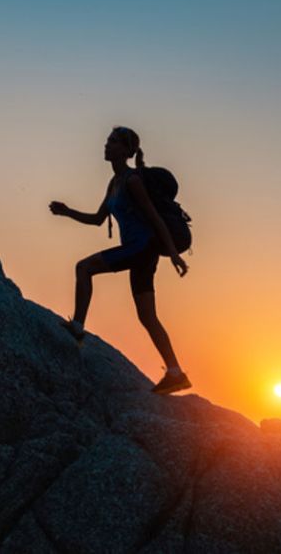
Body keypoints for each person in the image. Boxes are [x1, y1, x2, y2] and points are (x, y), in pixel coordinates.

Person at [49, 127, 192, 395]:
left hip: (141, 247)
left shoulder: (132, 180)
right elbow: (98, 219)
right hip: (139, 251)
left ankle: (78, 327)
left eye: (113, 142)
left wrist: (172, 252)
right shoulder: (114, 183)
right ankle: (176, 373)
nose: (106, 145)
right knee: (147, 316)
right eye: (107, 141)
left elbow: (154, 217)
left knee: (84, 267)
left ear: (126, 151)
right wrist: (67, 212)